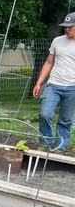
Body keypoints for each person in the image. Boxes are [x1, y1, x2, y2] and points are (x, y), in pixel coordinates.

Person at [33, 11, 75, 151]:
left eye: (70, 26)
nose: (66, 29)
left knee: (66, 120)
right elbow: (49, 63)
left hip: (72, 88)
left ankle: (60, 147)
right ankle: (45, 143)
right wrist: (39, 83)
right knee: (45, 114)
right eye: (65, 26)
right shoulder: (57, 41)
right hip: (53, 85)